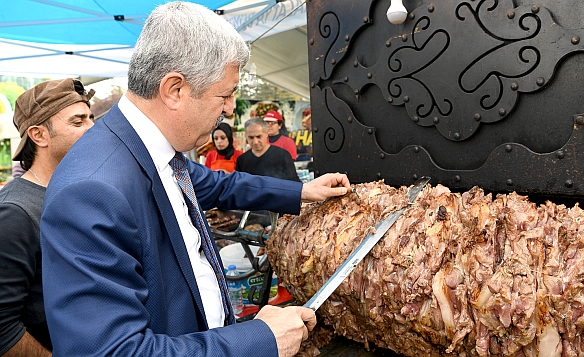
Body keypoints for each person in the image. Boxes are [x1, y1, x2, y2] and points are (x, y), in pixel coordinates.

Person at [39, 3, 350, 357]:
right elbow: (110, 351)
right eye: (225, 94)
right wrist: (259, 340)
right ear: (174, 89)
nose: (231, 109)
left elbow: (221, 185)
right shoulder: (91, 191)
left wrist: (302, 191)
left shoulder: (159, 152)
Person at [0, 78, 95, 356]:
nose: (92, 129)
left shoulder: (78, 193)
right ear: (39, 135)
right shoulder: (15, 213)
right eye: (78, 122)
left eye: (91, 118)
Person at [236, 118, 300, 182]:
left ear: (266, 134)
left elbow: (294, 183)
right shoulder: (242, 160)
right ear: (246, 136)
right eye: (251, 137)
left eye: (259, 137)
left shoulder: (282, 156)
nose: (255, 141)